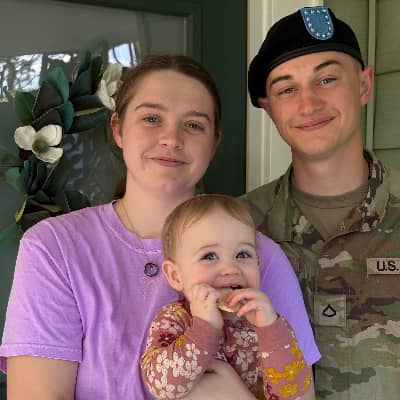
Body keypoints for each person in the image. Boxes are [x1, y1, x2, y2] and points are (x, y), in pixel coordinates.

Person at [0, 55, 319, 399]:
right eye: (152, 118)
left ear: (214, 143)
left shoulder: (257, 257)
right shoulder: (55, 247)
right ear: (118, 129)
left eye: (193, 125)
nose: (171, 138)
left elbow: (296, 389)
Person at [242, 5, 400, 400]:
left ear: (364, 85)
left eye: (327, 79)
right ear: (269, 108)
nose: (308, 103)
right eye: (286, 89)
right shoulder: (236, 229)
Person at [141, 194, 314, 400]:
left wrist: (271, 330)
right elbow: (162, 385)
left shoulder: (269, 324)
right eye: (209, 256)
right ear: (176, 276)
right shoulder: (174, 319)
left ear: (258, 265)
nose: (231, 269)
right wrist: (203, 330)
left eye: (243, 254)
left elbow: (293, 394)